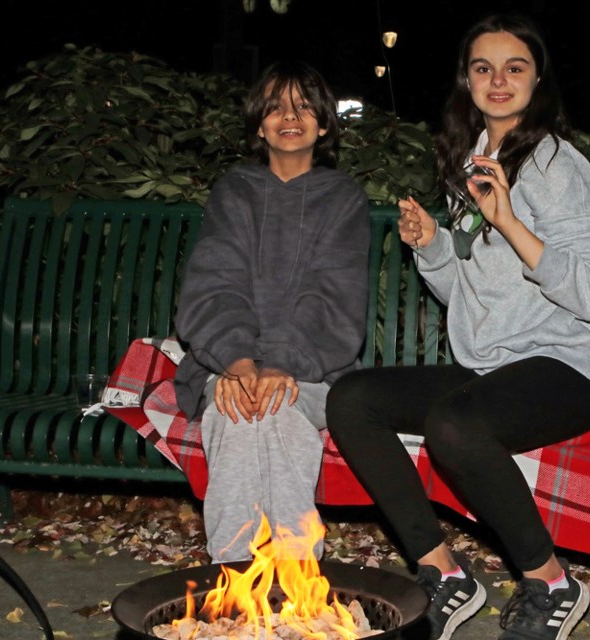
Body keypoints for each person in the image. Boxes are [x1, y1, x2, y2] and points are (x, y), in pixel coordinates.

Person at [326, 14, 590, 640]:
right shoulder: (472, 160)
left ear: (538, 80)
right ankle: (444, 576)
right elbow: (472, 294)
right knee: (353, 400)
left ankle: (552, 583)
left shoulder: (556, 163)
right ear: (467, 80)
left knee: (453, 424)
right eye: (483, 68)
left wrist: (510, 220)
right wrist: (433, 247)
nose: (499, 80)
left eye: (515, 67)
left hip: (564, 366)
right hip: (489, 365)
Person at [173, 61, 369, 563]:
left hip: (314, 367)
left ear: (324, 124)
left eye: (304, 106)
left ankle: (295, 572)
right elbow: (215, 280)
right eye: (276, 106)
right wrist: (238, 361)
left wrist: (283, 361)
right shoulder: (234, 190)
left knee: (279, 414)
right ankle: (236, 574)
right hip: (228, 363)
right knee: (238, 414)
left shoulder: (342, 198)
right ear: (259, 123)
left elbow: (334, 292)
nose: (290, 115)